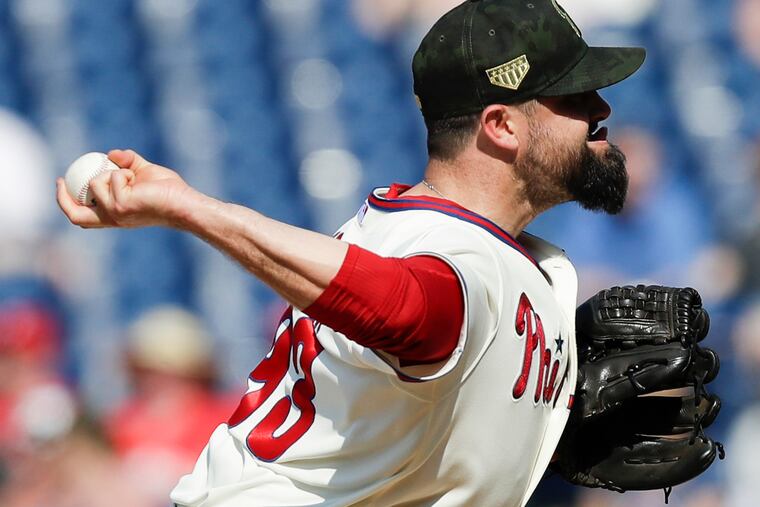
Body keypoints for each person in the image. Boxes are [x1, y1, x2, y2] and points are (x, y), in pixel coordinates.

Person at [56, 0, 645, 505]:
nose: (601, 111)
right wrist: (187, 206)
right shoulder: (454, 253)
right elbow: (406, 309)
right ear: (501, 125)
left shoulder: (496, 254)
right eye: (574, 96)